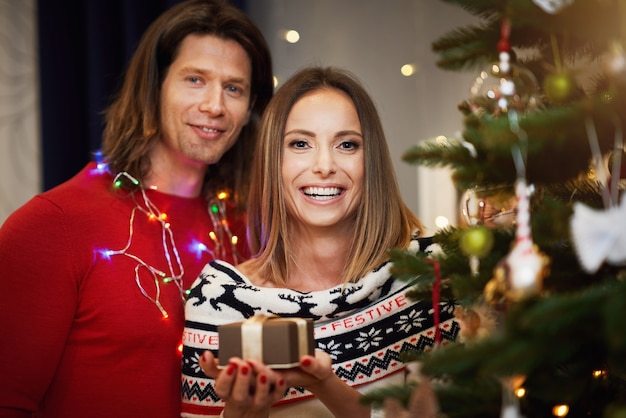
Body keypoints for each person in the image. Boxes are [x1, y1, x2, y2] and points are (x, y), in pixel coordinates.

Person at [0, 1, 273, 417]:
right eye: (195, 79)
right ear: (154, 87)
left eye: (233, 88)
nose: (215, 106)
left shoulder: (247, 228)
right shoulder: (55, 224)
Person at [181, 66, 459, 417]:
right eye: (300, 144)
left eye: (347, 144)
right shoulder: (217, 301)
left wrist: (322, 381)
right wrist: (243, 410)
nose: (324, 165)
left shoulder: (430, 273)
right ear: (273, 161)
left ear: (369, 160)